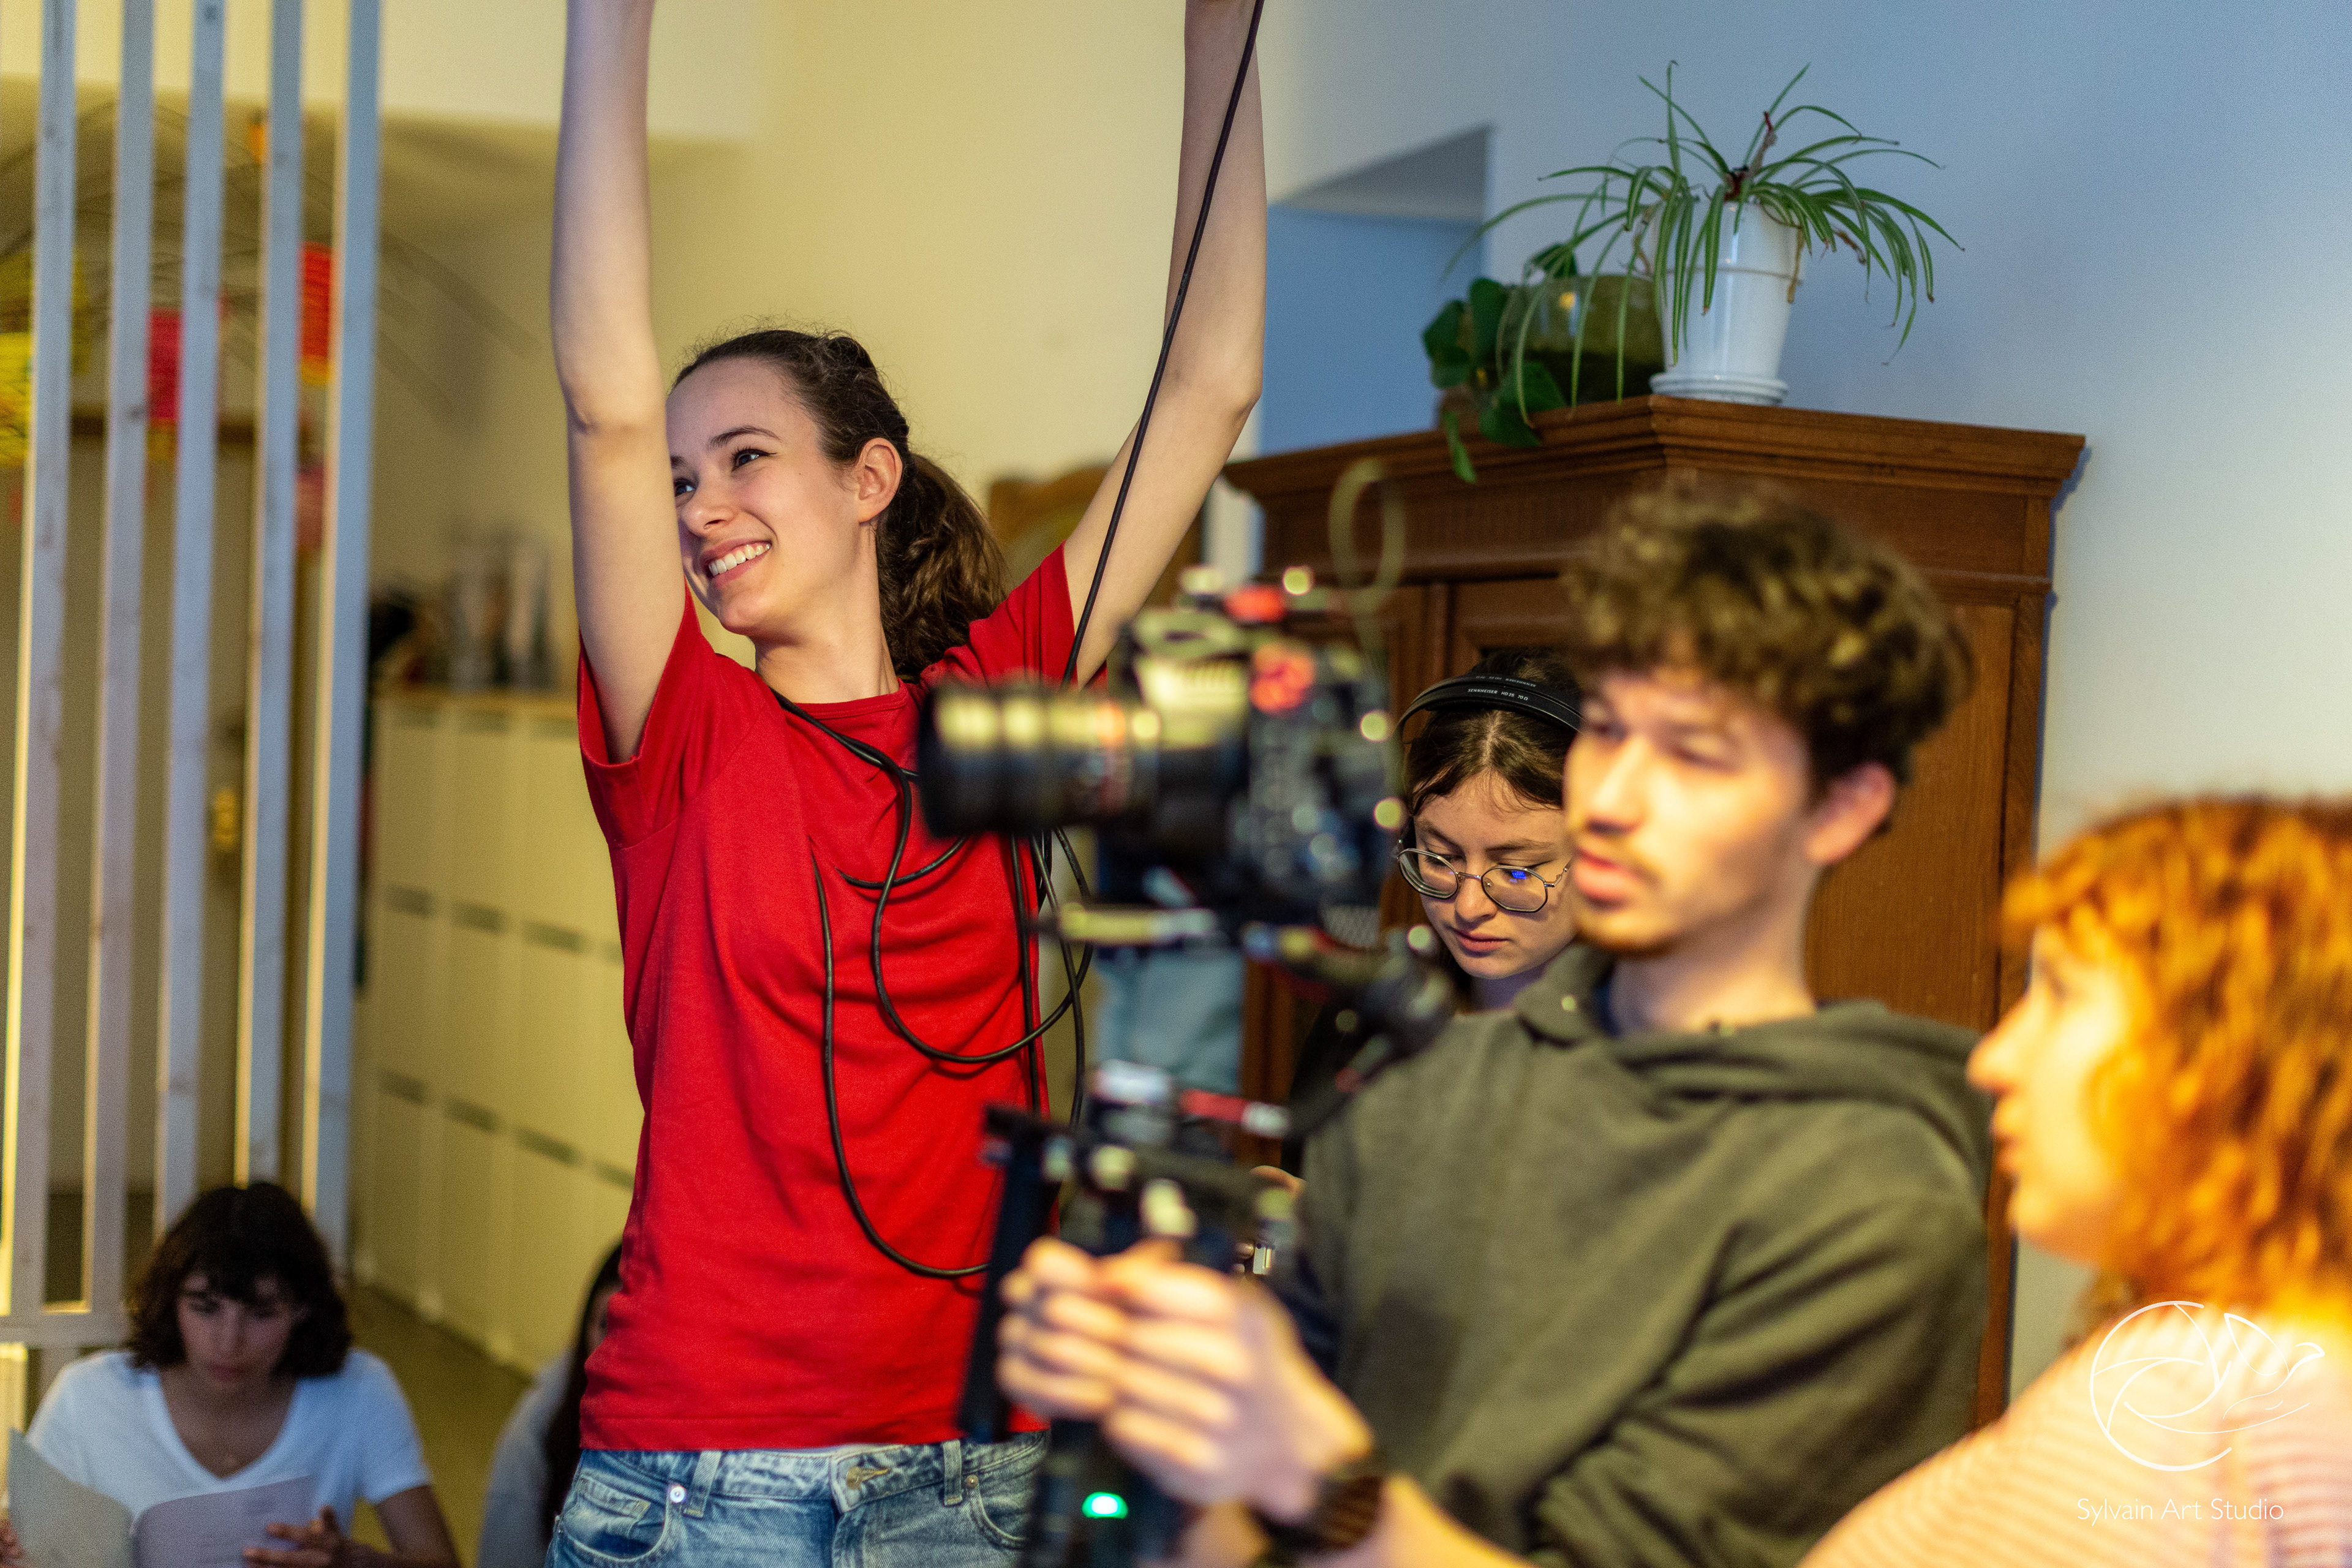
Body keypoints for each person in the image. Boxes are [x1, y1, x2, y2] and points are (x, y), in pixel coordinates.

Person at [549, 0, 1264, 1561]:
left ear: (867, 477)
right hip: (703, 1477)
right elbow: (602, 400)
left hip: (979, 1470)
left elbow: (1208, 387)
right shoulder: (684, 735)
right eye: (679, 479)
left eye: (744, 457)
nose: (699, 505)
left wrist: (1221, 34)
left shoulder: (1001, 702)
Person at [998, 482, 1992, 1567]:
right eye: (1610, 732)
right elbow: (1243, 1533)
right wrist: (1150, 1414)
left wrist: (1315, 1479)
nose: (1614, 799)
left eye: (1695, 754)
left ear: (1841, 807)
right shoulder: (1419, 1087)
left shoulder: (1870, 1202)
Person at [1802, 797, 2352, 1566]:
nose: (1992, 1059)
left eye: (2063, 993)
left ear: (2233, 1054)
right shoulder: (2286, 1394)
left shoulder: (2178, 1413)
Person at [3, 1183, 456, 1568]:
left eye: (261, 1314)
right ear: (170, 1300)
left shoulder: (358, 1391)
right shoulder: (88, 1398)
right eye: (204, 1309)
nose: (228, 1343)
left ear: (302, 1308)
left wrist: (357, 1562)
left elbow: (440, 1560)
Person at [1282, 647, 1581, 1166]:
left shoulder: (1643, 1046)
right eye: (1440, 857)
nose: (1468, 907)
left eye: (1516, 872)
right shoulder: (1366, 1021)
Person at [475, 1244, 622, 1568]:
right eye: (605, 1325)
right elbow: (506, 1553)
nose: (617, 1351)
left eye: (638, 1332)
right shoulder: (546, 1418)